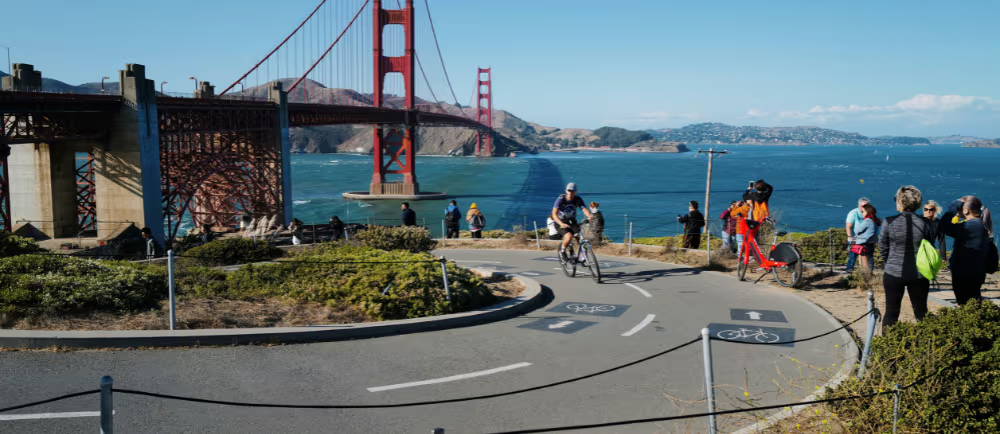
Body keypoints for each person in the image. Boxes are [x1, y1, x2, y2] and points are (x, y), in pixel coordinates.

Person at [877, 185, 935, 331]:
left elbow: (882, 246)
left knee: (891, 313)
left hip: (893, 273)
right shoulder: (926, 223)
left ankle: (887, 348)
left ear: (900, 202)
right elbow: (929, 246)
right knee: (921, 313)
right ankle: (926, 348)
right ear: (918, 203)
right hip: (919, 274)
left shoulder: (889, 222)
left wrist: (889, 262)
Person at [940, 196, 991, 305]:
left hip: (964, 273)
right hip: (977, 271)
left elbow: (943, 226)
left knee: (966, 304)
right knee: (973, 301)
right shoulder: (981, 224)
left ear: (966, 210)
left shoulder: (968, 227)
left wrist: (954, 206)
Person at [551, 182, 594, 261]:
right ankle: (562, 251)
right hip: (560, 222)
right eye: (569, 191)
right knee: (569, 236)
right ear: (566, 191)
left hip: (572, 221)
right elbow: (554, 214)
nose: (570, 193)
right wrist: (561, 223)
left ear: (575, 192)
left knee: (580, 237)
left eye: (573, 191)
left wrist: (589, 215)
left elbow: (584, 209)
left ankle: (582, 256)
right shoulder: (561, 199)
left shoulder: (577, 199)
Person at [852, 203, 881, 272]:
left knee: (864, 261)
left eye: (863, 212)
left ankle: (866, 276)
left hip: (864, 243)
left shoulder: (867, 221)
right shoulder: (874, 220)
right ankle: (870, 274)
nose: (862, 213)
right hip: (871, 243)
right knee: (870, 259)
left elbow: (857, 230)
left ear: (868, 212)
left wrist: (858, 222)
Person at [845, 197, 871, 272]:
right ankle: (849, 270)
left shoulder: (870, 212)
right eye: (863, 206)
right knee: (853, 254)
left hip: (866, 237)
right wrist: (851, 239)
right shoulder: (853, 213)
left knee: (867, 255)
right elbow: (848, 226)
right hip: (855, 238)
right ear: (859, 205)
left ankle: (866, 271)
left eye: (867, 205)